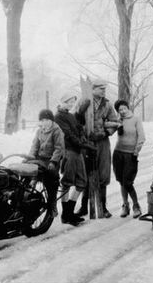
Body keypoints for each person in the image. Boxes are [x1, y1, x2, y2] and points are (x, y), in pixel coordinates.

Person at [76, 78, 120, 218]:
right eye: (101, 88)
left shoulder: (107, 104)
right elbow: (74, 119)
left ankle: (103, 207)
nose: (103, 91)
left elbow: (115, 122)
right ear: (93, 89)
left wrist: (107, 132)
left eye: (104, 89)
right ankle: (84, 207)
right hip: (86, 142)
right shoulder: (82, 101)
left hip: (102, 143)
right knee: (85, 173)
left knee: (103, 173)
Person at [54, 92, 94, 226]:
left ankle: (69, 212)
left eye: (73, 102)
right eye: (68, 101)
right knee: (67, 182)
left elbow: (78, 128)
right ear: (62, 102)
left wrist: (84, 140)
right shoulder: (58, 117)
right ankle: (66, 215)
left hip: (77, 151)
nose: (71, 104)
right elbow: (68, 134)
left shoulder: (70, 115)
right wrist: (82, 143)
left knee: (82, 182)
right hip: (68, 151)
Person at [28, 109, 65, 218]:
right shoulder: (39, 131)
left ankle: (52, 203)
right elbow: (35, 145)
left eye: (47, 120)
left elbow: (59, 148)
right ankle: (28, 193)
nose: (44, 123)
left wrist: (53, 162)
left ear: (51, 120)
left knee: (51, 178)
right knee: (27, 171)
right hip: (40, 158)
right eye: (42, 120)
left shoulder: (57, 131)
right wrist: (30, 157)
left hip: (51, 159)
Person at [113, 99, 145, 218]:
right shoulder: (119, 120)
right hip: (118, 153)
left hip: (130, 154)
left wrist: (136, 151)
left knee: (128, 182)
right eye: (120, 110)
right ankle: (125, 205)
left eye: (124, 108)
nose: (122, 111)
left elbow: (142, 137)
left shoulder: (136, 119)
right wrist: (116, 124)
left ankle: (136, 206)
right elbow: (107, 125)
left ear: (128, 107)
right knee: (121, 181)